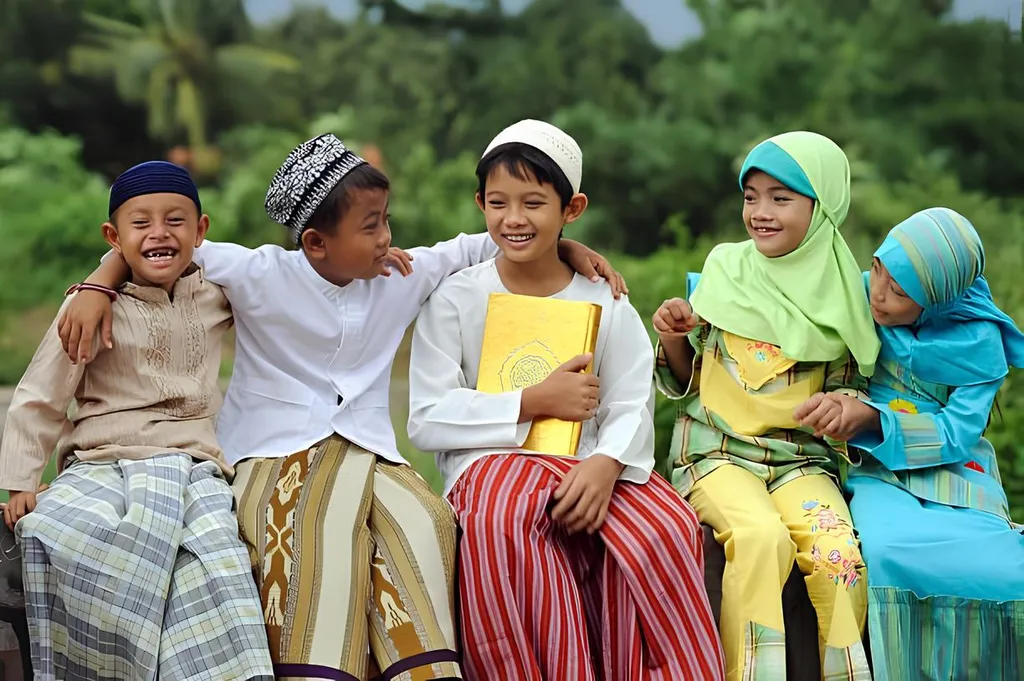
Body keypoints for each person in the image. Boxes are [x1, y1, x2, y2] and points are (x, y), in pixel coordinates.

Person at [57, 134, 623, 681]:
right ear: (315, 243)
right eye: (370, 225)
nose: (386, 238)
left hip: (372, 451)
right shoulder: (260, 274)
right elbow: (163, 247)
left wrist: (568, 247)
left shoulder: (399, 276)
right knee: (314, 537)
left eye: (386, 220)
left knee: (427, 522)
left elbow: (483, 243)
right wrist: (98, 285)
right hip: (272, 451)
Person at [407, 119, 725, 681]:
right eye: (498, 202)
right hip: (492, 464)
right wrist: (529, 401)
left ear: (571, 208)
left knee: (666, 527)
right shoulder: (455, 297)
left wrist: (605, 465)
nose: (514, 219)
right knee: (505, 525)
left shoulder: (605, 299)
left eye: (534, 202)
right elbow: (428, 417)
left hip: (595, 462)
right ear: (479, 203)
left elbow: (631, 401)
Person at [0, 161, 273, 680]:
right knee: (65, 535)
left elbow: (289, 291)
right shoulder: (91, 308)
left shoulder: (219, 296)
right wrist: (20, 482)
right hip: (102, 465)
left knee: (218, 566)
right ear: (114, 235)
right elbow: (40, 394)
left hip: (194, 469)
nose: (159, 234)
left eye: (175, 220)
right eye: (140, 223)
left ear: (201, 230)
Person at [652, 131, 878, 680]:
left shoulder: (848, 296)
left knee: (837, 556)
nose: (760, 212)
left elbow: (850, 389)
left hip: (799, 462)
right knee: (758, 540)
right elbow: (687, 378)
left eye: (781, 198)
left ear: (821, 207)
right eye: (751, 196)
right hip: (716, 455)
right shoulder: (726, 271)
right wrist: (676, 336)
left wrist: (841, 409)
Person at [796, 207, 1024, 680]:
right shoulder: (855, 294)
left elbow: (958, 434)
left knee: (1006, 571)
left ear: (938, 299)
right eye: (878, 268)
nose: (877, 293)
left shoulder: (978, 340)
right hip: (878, 468)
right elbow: (774, 291)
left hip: (960, 475)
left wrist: (874, 419)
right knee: (887, 552)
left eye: (900, 292)